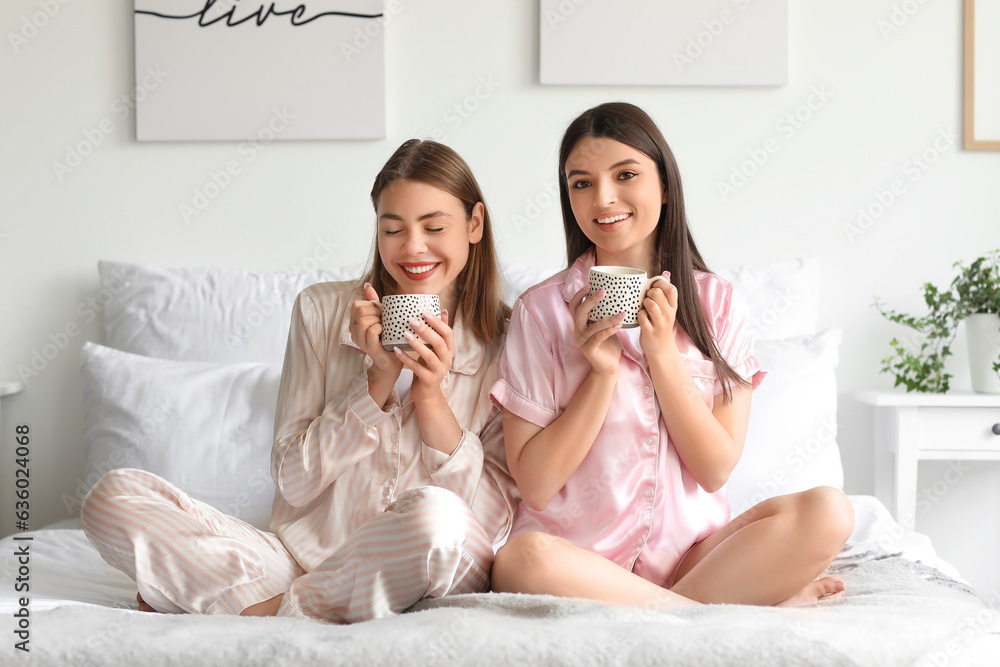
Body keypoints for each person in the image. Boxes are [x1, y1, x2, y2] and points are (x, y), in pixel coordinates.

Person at [82, 139, 517, 623]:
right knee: (113, 498)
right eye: (392, 229)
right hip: (299, 563)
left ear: (474, 224)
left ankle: (260, 612)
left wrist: (431, 398)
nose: (413, 248)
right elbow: (293, 480)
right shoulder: (321, 311)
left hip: (433, 564)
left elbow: (492, 521)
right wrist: (375, 382)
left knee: (438, 518)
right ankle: (311, 605)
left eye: (434, 227)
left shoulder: (509, 338)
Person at [489, 102, 854, 608]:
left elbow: (715, 469)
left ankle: (675, 605)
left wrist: (662, 357)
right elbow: (535, 486)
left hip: (693, 559)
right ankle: (716, 611)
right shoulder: (541, 311)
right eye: (582, 183)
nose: (604, 198)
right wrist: (600, 372)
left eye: (626, 174)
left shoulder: (717, 304)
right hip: (577, 562)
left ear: (664, 184)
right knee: (521, 560)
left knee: (829, 511)